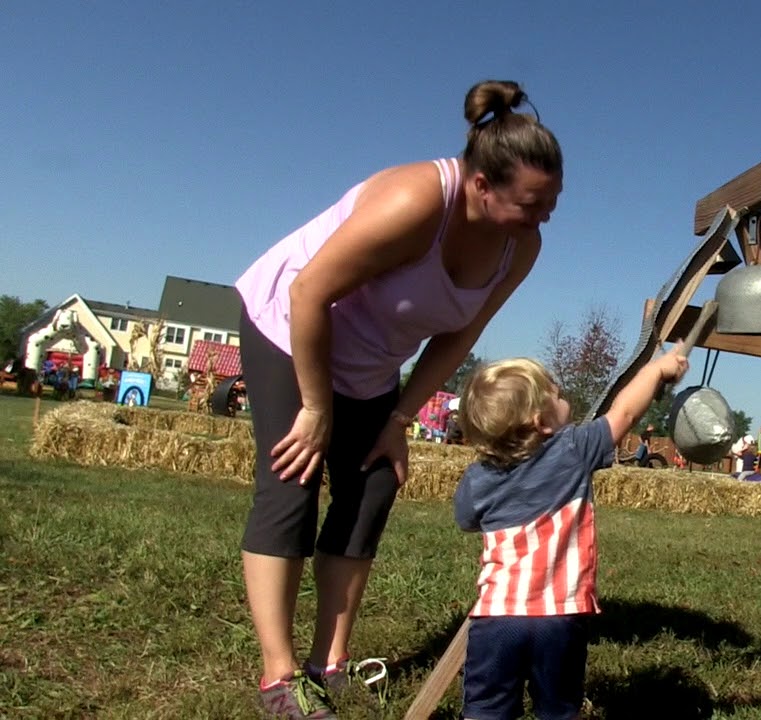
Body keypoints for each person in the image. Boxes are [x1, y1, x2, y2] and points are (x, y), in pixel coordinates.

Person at [233, 79, 563, 717]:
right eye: (531, 202)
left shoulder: (523, 246)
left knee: (374, 482)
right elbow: (309, 295)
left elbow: (458, 335)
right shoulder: (416, 202)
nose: (544, 215)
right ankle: (279, 677)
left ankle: (329, 662)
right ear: (481, 187)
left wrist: (399, 418)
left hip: (370, 363)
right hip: (289, 327)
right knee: (292, 482)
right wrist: (315, 408)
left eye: (552, 201)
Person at [453, 348, 689, 720]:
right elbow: (625, 412)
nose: (565, 397)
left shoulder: (479, 476)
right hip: (561, 618)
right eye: (558, 394)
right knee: (558, 707)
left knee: (487, 708)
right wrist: (658, 369)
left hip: (498, 617)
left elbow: (466, 520)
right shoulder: (573, 450)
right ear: (541, 421)